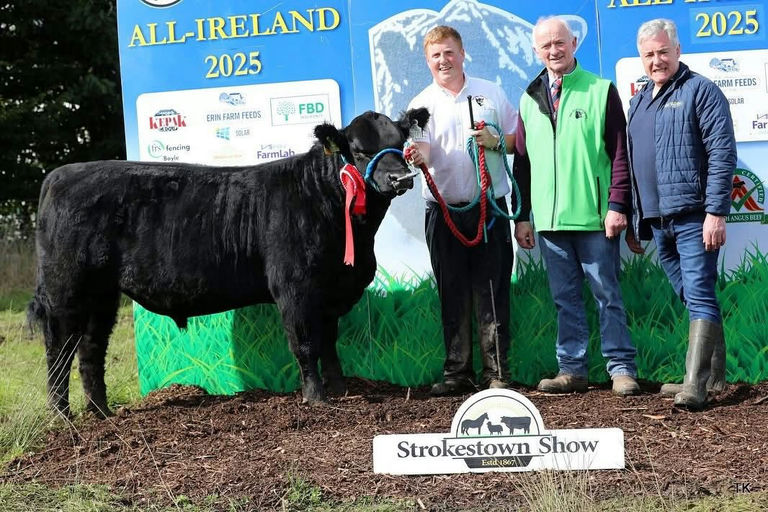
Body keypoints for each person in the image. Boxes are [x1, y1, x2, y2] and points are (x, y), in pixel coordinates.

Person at [513, 16, 640, 396]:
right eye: (546, 45)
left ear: (573, 45)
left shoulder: (600, 90)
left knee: (608, 295)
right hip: (550, 223)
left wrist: (617, 204)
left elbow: (621, 154)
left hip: (594, 217)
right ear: (536, 51)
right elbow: (523, 161)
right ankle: (572, 369)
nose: (554, 50)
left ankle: (621, 369)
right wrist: (522, 217)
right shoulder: (528, 98)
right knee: (564, 300)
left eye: (560, 43)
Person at [625, 19, 736, 410]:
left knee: (700, 293)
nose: (657, 60)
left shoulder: (701, 91)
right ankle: (714, 378)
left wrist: (715, 213)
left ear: (677, 51)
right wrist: (636, 218)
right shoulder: (638, 101)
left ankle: (694, 384)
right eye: (649, 54)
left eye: (662, 52)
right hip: (657, 220)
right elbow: (635, 162)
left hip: (693, 216)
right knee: (689, 294)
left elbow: (722, 154)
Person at [406, 25, 518, 396]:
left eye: (449, 52)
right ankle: (457, 372)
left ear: (463, 53)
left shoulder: (491, 92)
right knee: (451, 292)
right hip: (442, 212)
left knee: (492, 289)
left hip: (491, 209)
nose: (444, 61)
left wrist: (497, 140)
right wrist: (415, 156)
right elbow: (420, 150)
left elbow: (518, 141)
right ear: (427, 61)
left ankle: (496, 372)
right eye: (436, 55)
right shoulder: (419, 105)